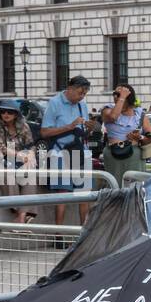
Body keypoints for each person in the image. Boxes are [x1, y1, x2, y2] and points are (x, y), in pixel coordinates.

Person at [40, 75, 98, 228]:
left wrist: (90, 129)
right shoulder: (55, 103)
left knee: (84, 194)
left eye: (84, 94)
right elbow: (44, 132)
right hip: (61, 153)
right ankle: (58, 234)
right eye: (80, 93)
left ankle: (84, 233)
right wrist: (69, 126)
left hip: (81, 152)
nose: (81, 96)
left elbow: (82, 130)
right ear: (70, 88)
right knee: (63, 194)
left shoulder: (82, 105)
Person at [0, 100, 39, 224]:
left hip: (18, 162)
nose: (5, 114)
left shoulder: (24, 126)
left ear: (16, 114)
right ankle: (21, 216)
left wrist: (31, 155)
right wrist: (19, 155)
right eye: (2, 111)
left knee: (30, 173)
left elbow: (31, 145)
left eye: (9, 111)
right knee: (9, 175)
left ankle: (21, 217)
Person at [100, 82, 151, 188]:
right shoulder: (107, 109)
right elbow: (113, 117)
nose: (115, 97)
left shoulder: (139, 114)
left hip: (134, 155)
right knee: (114, 186)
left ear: (129, 98)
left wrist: (140, 137)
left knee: (134, 187)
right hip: (113, 154)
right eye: (115, 94)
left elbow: (150, 137)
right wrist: (122, 98)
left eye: (118, 94)